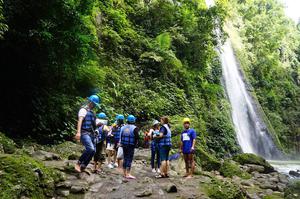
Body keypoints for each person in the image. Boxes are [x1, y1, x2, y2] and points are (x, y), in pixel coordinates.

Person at [74, 95, 100, 172]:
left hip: (91, 134)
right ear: (90, 102)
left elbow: (94, 124)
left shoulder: (92, 113)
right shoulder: (83, 110)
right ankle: (78, 163)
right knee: (90, 149)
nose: (95, 105)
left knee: (93, 151)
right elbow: (80, 121)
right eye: (94, 104)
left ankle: (83, 165)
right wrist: (78, 132)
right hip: (84, 132)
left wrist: (97, 128)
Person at [120, 115, 139, 179]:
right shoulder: (135, 128)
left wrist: (121, 143)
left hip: (124, 145)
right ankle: (128, 174)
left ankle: (124, 173)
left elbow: (121, 136)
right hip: (131, 145)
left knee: (125, 158)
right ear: (133, 121)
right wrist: (136, 144)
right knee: (129, 158)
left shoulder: (123, 127)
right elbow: (137, 137)